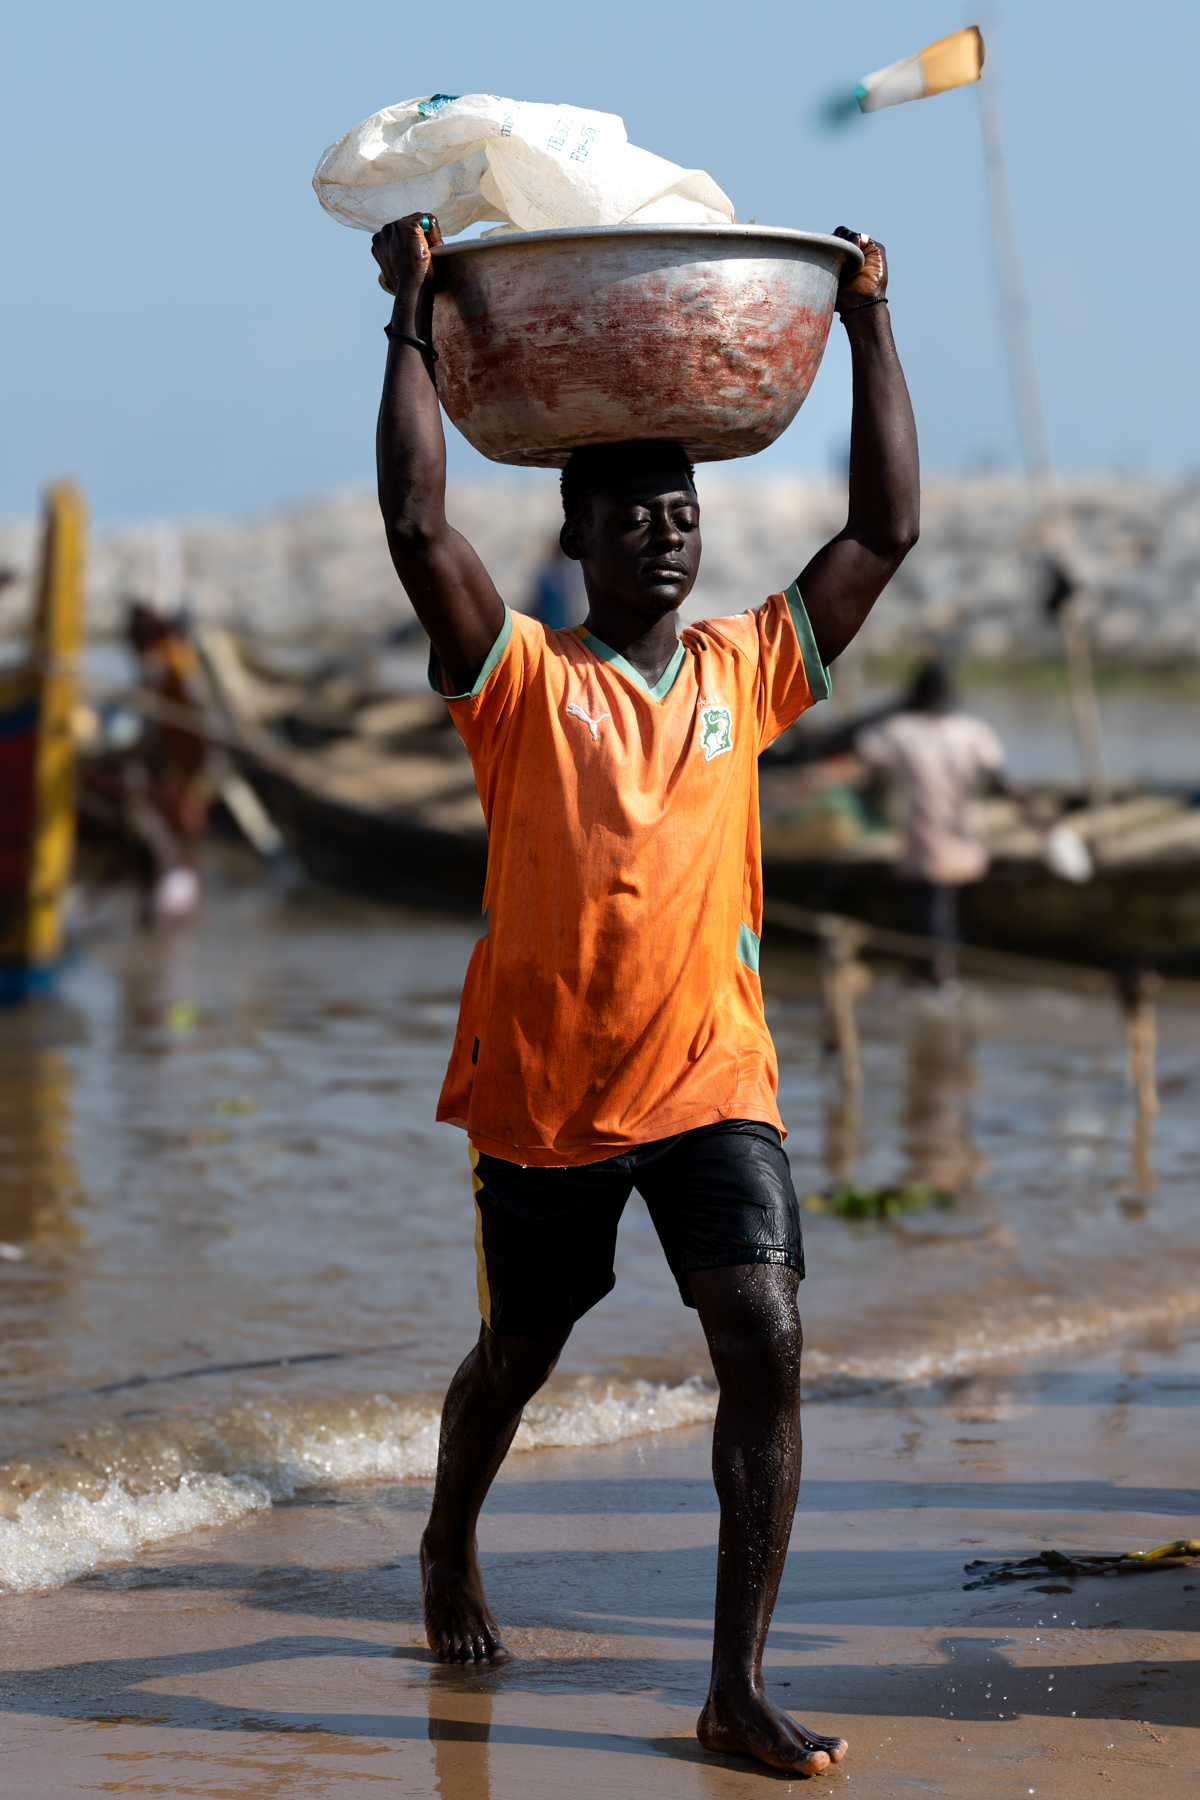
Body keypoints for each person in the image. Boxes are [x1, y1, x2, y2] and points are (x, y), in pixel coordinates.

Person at [372, 210, 919, 1778]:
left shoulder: (750, 670)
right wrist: (412, 317)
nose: (667, 535)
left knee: (764, 1333)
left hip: (710, 1082)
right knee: (517, 1354)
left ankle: (733, 1685)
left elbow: (883, 532)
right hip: (543, 1091)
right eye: (633, 516)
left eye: (681, 513)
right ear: (578, 539)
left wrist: (873, 319)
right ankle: (447, 1541)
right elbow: (420, 531)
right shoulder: (520, 682)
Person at [856, 662, 1012, 988]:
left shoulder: (900, 730)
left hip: (924, 843)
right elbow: (1000, 781)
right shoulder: (972, 732)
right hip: (964, 842)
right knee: (941, 908)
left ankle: (936, 975)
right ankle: (938, 971)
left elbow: (863, 747)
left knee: (928, 910)